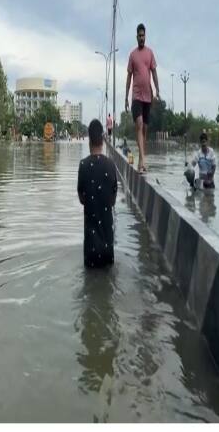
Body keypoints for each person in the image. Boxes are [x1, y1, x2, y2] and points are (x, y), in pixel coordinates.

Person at [77, 119, 118, 268]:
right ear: (102, 139)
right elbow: (113, 200)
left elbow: (82, 199)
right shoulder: (111, 165)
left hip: (90, 247)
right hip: (108, 244)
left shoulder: (83, 165)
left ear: (89, 140)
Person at [125, 23, 160, 174]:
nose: (141, 38)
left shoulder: (150, 53)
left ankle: (141, 159)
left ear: (145, 36)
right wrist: (126, 97)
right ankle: (144, 159)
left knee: (144, 129)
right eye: (139, 35)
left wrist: (158, 90)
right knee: (139, 124)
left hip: (148, 96)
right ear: (136, 37)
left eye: (143, 35)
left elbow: (154, 72)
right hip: (136, 96)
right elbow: (129, 77)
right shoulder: (132, 55)